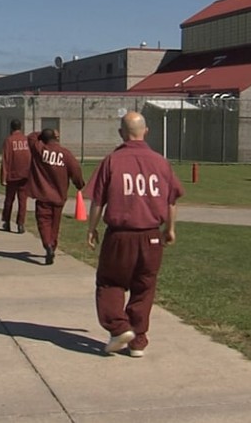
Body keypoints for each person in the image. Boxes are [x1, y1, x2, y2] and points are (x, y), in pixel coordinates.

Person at [85, 111, 184, 358]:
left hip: (120, 235)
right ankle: (138, 339)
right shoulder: (161, 162)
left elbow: (98, 200)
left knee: (110, 282)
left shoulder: (112, 161)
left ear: (121, 133)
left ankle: (119, 327)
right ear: (146, 132)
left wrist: (91, 228)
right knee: (144, 286)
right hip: (151, 235)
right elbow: (171, 200)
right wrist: (170, 228)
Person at [27, 128, 84, 265]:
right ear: (56, 138)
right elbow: (75, 170)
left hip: (42, 195)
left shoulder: (39, 149)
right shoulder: (65, 153)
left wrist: (42, 133)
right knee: (55, 224)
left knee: (43, 222)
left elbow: (30, 137)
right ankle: (52, 244)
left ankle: (47, 244)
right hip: (59, 195)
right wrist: (79, 184)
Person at [0, 119, 31, 234]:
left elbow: (6, 159)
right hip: (25, 175)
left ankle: (7, 221)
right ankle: (21, 224)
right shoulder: (26, 140)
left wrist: (4, 177)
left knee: (9, 200)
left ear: (11, 128)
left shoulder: (9, 140)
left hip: (13, 175)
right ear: (21, 127)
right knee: (22, 201)